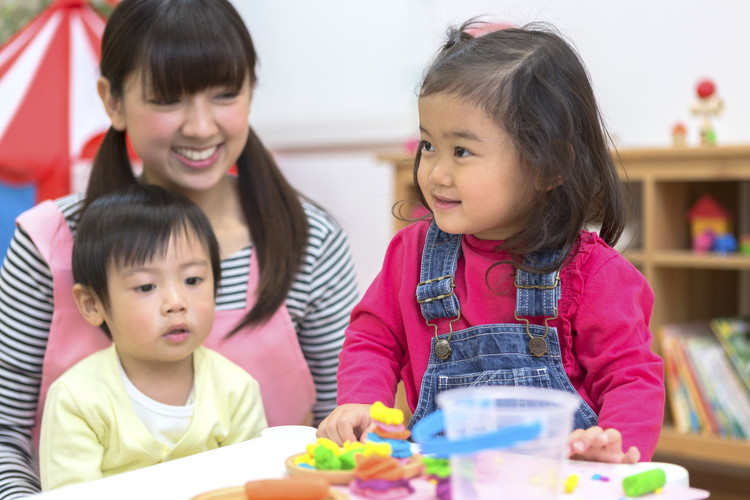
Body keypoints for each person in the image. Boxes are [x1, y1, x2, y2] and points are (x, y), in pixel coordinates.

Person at [0, 0, 358, 496]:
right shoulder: (49, 243)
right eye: (169, 100)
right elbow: (5, 435)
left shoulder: (308, 241)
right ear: (113, 101)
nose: (201, 126)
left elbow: (339, 426)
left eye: (225, 94)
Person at [318, 20, 664, 464]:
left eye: (461, 151)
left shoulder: (596, 274)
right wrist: (362, 400)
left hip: (558, 484)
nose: (436, 172)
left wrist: (615, 448)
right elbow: (374, 338)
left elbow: (630, 378)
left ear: (549, 166)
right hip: (445, 478)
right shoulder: (412, 254)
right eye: (427, 145)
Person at [39, 184, 267, 490]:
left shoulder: (236, 389)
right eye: (146, 286)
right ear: (93, 304)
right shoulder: (76, 399)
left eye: (192, 280)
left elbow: (251, 487)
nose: (176, 302)